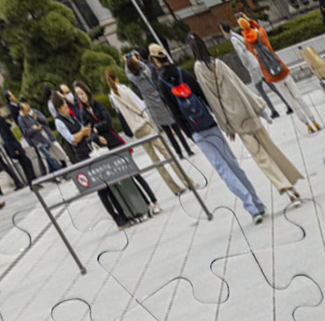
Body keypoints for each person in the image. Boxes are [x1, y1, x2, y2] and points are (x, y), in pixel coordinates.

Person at [151, 45, 268, 224]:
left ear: (155, 60)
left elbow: (174, 112)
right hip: (210, 125)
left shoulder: (161, 83)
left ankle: (251, 207)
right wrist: (223, 122)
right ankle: (258, 203)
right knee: (233, 165)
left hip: (196, 131)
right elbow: (206, 98)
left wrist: (190, 134)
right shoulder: (185, 73)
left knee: (223, 169)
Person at [187, 34, 304, 209]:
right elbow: (240, 85)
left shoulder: (198, 68)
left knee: (260, 156)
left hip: (235, 119)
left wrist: (226, 126)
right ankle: (291, 183)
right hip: (247, 110)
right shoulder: (218, 63)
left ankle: (285, 188)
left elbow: (212, 99)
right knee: (271, 149)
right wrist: (260, 108)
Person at [73, 80, 159, 217]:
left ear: (87, 92)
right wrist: (96, 136)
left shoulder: (98, 105)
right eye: (78, 94)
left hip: (115, 142)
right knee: (125, 177)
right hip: (105, 147)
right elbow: (87, 132)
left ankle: (154, 201)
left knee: (134, 173)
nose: (81, 97)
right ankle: (144, 205)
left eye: (82, 93)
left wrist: (95, 128)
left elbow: (108, 122)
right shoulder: (83, 112)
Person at [105, 68, 195, 198]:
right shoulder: (122, 90)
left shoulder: (112, 95)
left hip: (136, 129)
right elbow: (137, 106)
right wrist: (147, 119)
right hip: (143, 124)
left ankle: (174, 188)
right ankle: (187, 181)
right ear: (116, 78)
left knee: (155, 159)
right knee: (166, 153)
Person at [51, 91, 129, 228]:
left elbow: (83, 131)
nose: (67, 108)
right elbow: (72, 140)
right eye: (64, 106)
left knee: (108, 184)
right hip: (82, 156)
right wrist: (82, 133)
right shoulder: (59, 122)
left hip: (90, 151)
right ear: (59, 109)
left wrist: (88, 134)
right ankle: (116, 218)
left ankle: (122, 213)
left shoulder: (72, 118)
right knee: (101, 188)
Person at [235, 19, 321, 133]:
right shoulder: (261, 34)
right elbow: (261, 28)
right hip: (282, 70)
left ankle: (306, 124)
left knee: (290, 100)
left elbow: (251, 53)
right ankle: (313, 120)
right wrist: (254, 23)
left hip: (271, 74)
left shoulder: (246, 42)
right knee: (297, 96)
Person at [125, 49, 193, 158]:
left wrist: (126, 62)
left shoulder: (133, 78)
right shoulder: (146, 72)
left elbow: (128, 73)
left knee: (168, 132)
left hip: (152, 106)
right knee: (176, 127)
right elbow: (143, 66)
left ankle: (179, 153)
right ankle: (188, 150)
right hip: (161, 100)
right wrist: (134, 60)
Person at [222, 21, 293, 119]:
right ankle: (288, 104)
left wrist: (246, 66)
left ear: (224, 31)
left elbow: (242, 55)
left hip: (252, 67)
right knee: (271, 86)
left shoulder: (233, 39)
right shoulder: (237, 35)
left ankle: (273, 110)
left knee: (260, 89)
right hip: (257, 62)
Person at [15, 101, 67, 175]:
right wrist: (33, 129)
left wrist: (38, 127)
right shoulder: (20, 119)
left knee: (48, 159)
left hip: (42, 138)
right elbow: (26, 133)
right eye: (26, 111)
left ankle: (51, 174)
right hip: (37, 142)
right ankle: (62, 173)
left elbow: (37, 122)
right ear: (22, 111)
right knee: (50, 157)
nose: (28, 112)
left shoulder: (29, 115)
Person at [0, 99, 35, 182]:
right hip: (13, 145)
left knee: (25, 163)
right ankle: (32, 181)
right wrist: (15, 149)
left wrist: (8, 124)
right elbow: (5, 136)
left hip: (13, 144)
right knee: (26, 162)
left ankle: (31, 182)